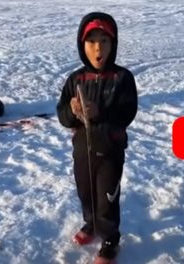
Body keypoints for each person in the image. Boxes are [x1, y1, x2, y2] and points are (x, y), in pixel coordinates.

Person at [56, 12, 138, 263]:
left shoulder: (122, 78)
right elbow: (62, 114)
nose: (98, 48)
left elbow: (127, 111)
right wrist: (73, 111)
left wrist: (99, 112)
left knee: (106, 196)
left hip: (110, 152)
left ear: (113, 45)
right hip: (82, 150)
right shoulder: (75, 79)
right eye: (91, 42)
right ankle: (90, 223)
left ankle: (110, 238)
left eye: (104, 41)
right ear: (82, 45)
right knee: (86, 192)